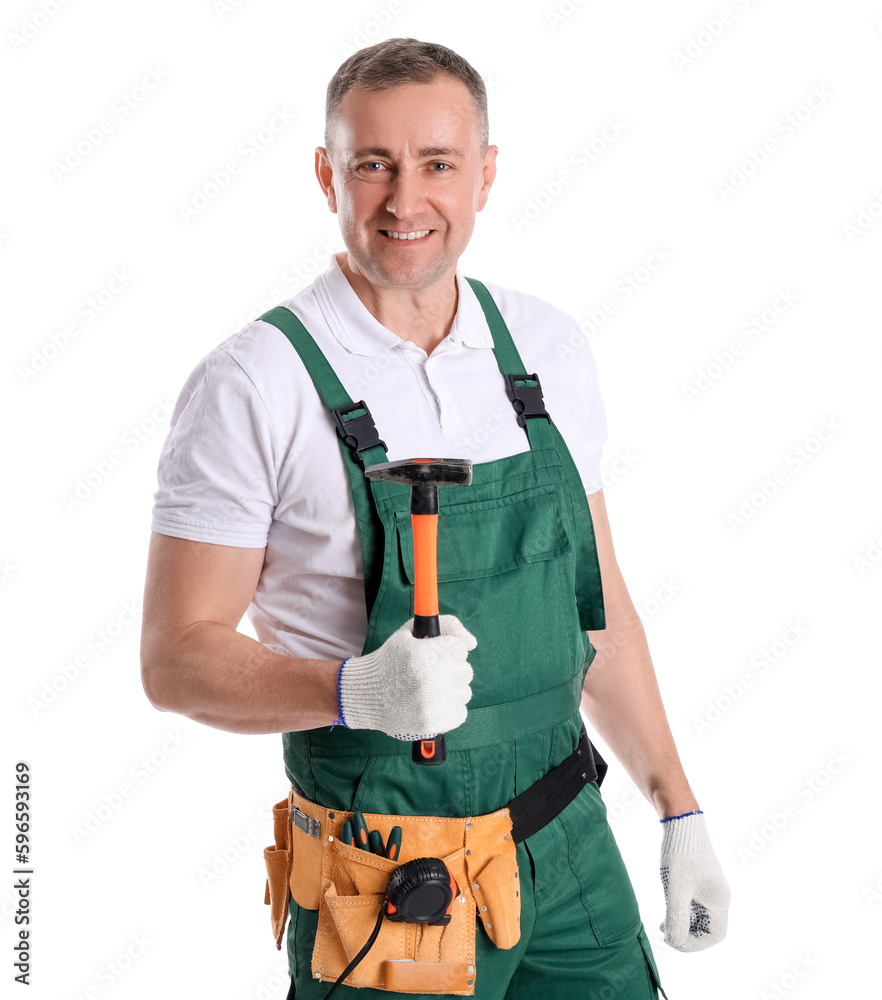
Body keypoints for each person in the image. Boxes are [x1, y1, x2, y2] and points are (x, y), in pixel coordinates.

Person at [140, 37, 730, 1000]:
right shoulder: (257, 381)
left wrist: (678, 808)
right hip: (386, 885)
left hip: (567, 841)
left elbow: (599, 608)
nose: (404, 201)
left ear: (486, 175)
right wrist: (353, 691)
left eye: (437, 164)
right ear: (327, 173)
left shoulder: (544, 349)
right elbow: (174, 661)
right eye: (373, 164)